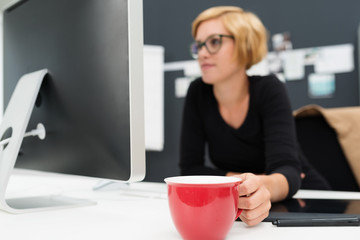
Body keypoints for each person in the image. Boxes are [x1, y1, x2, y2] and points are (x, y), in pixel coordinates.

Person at [179, 6, 330, 226]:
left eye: (214, 42)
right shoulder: (197, 93)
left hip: (303, 201)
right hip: (243, 205)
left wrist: (255, 185)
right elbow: (190, 170)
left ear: (243, 45)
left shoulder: (269, 89)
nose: (202, 53)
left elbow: (288, 170)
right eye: (199, 44)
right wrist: (243, 183)